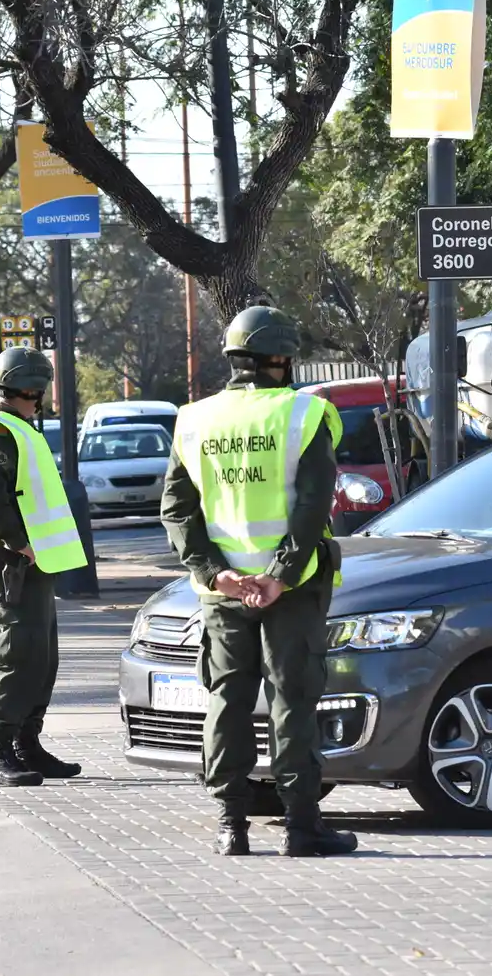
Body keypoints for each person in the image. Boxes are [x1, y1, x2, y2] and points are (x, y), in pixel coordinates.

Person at [161, 304, 355, 857]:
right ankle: (301, 826)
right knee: (292, 698)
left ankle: (231, 825)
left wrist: (213, 572)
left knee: (229, 698)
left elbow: (177, 510)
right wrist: (280, 574)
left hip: (223, 594)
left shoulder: (193, 418)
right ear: (279, 357)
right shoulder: (303, 413)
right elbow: (315, 503)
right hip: (291, 590)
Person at [0, 348, 88, 787]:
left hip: (32, 565)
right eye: (38, 391)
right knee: (17, 657)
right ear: (26, 389)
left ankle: (28, 745)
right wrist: (17, 542)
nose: (41, 399)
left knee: (41, 658)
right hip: (12, 564)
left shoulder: (14, 426)